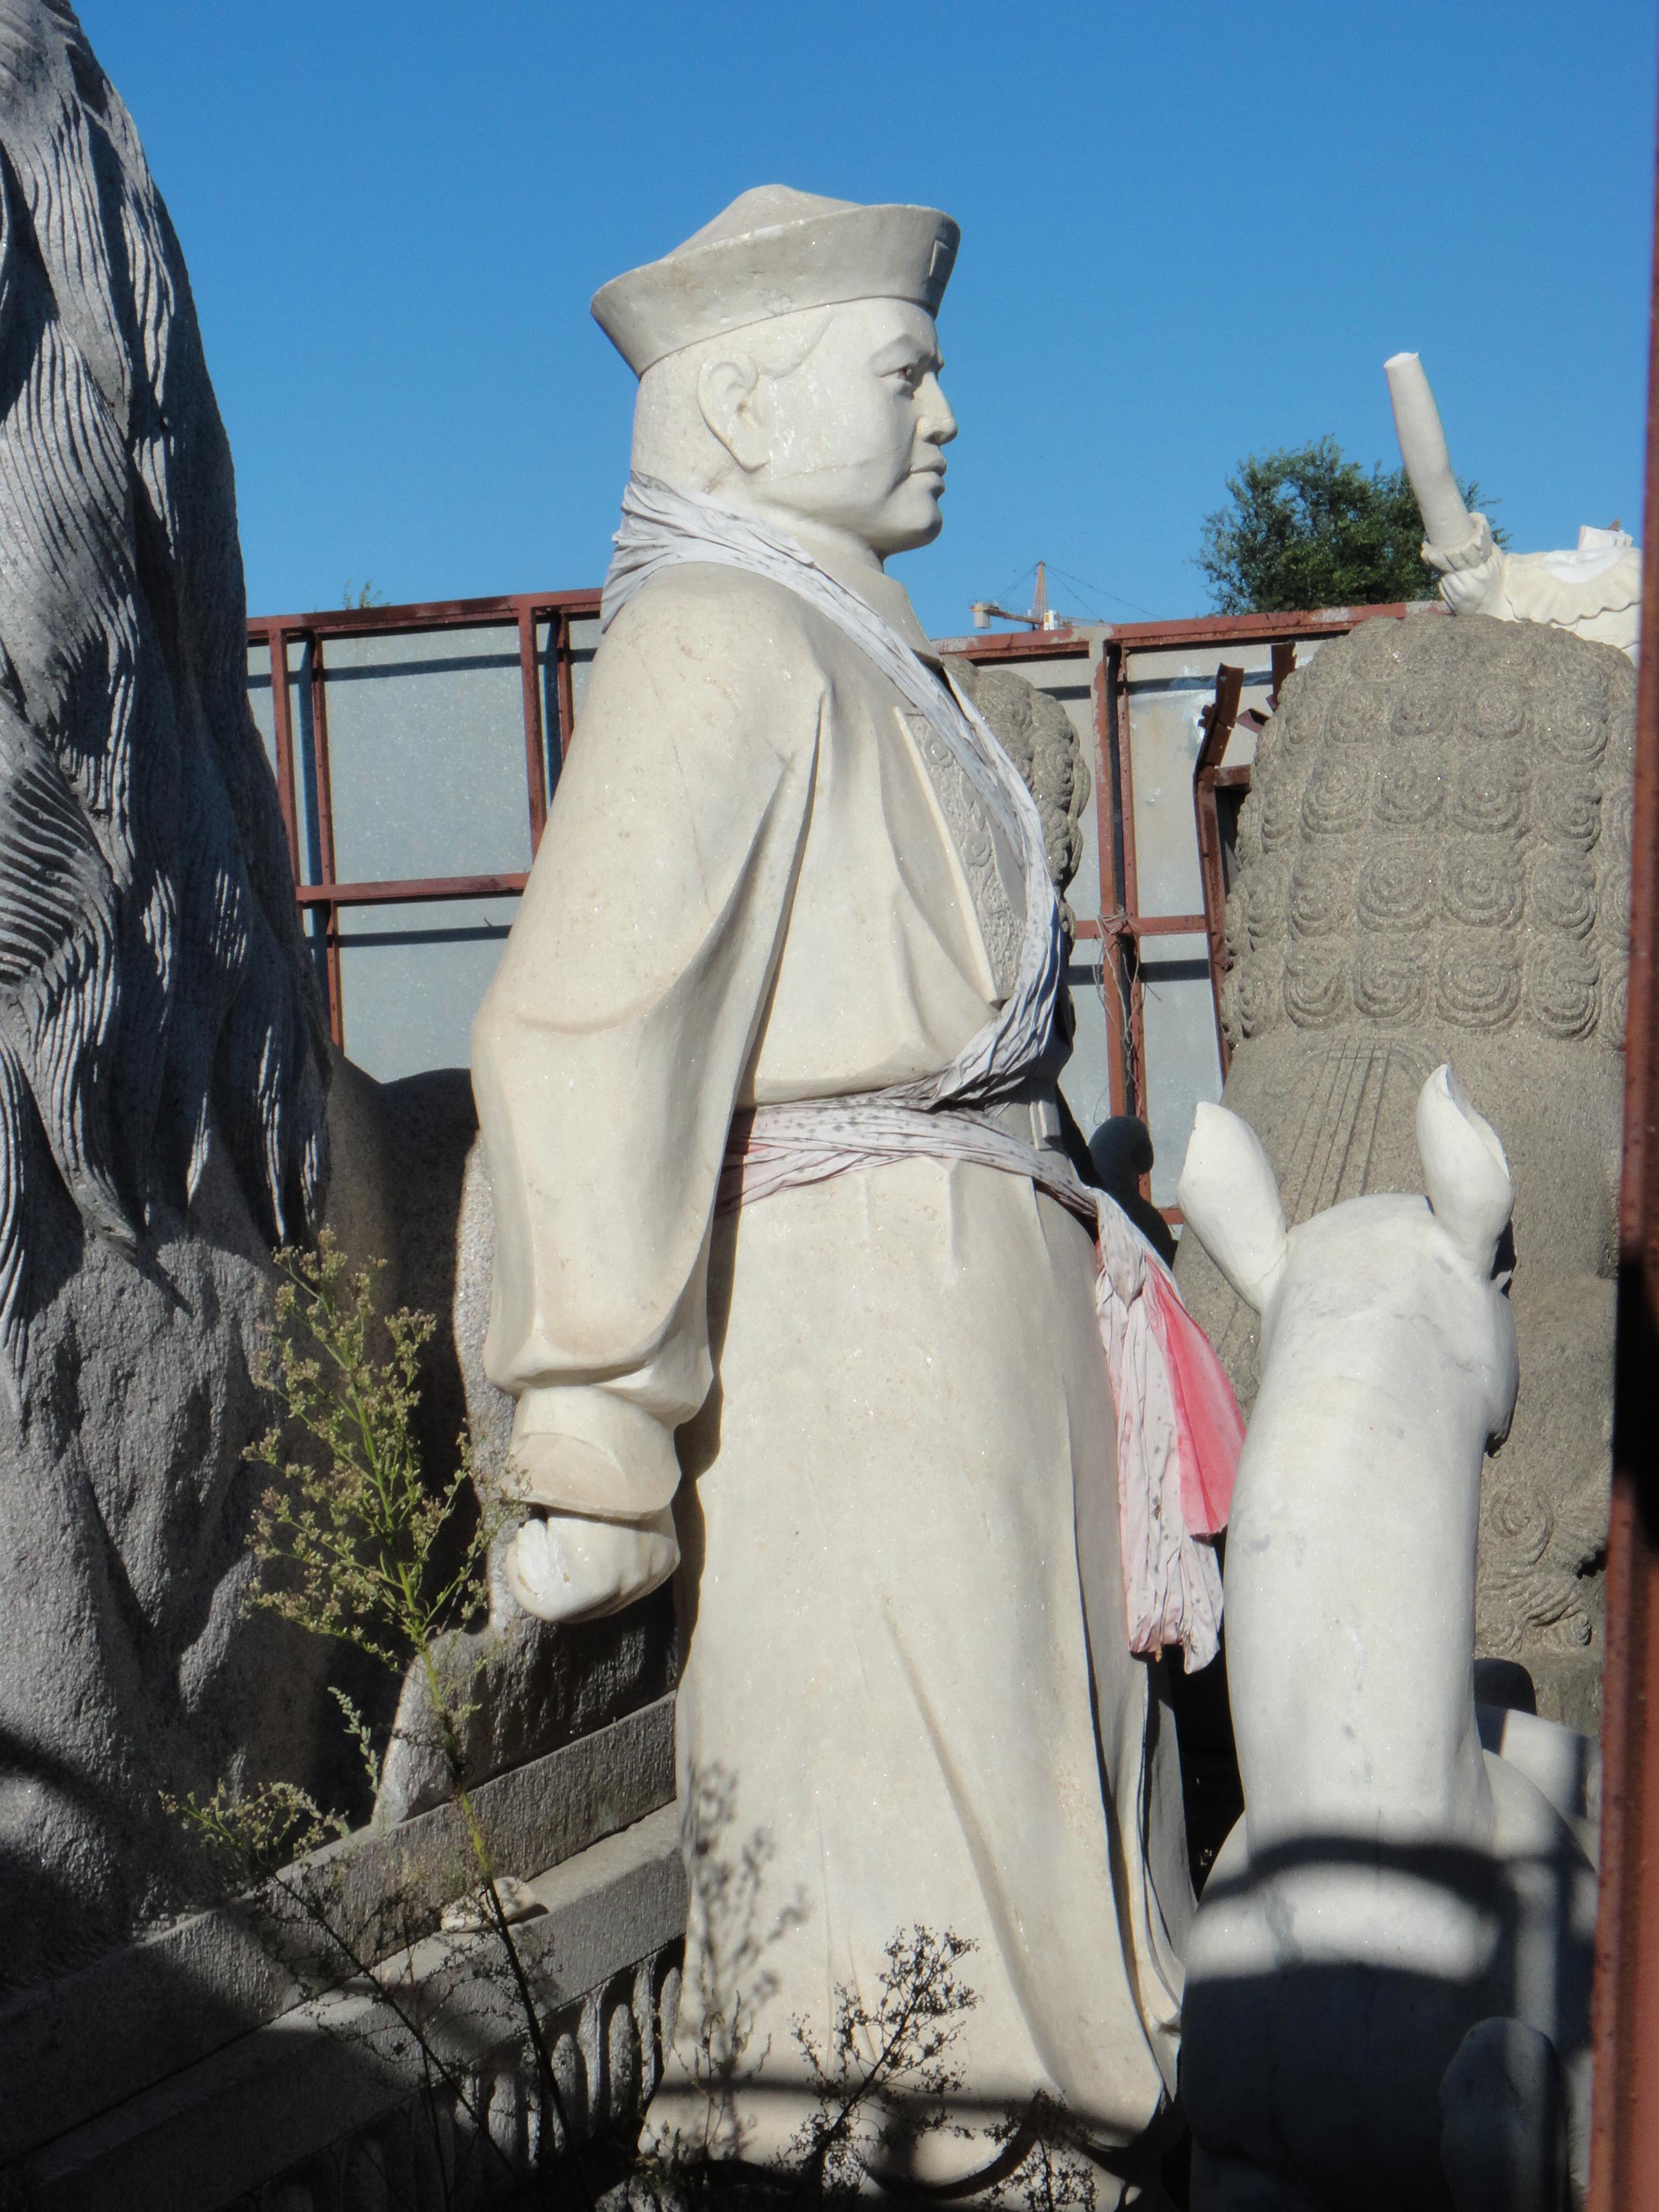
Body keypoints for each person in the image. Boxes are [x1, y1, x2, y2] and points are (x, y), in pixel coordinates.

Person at [472, 187, 1237, 2195]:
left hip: (969, 1305)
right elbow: (590, 1024)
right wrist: (592, 1428)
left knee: (1023, 1750)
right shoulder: (719, 637)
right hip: (848, 1337)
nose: (952, 415)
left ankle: (1043, 2112)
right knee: (895, 1771)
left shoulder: (862, 652)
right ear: (736, 413)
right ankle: (902, 2126)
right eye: (905, 372)